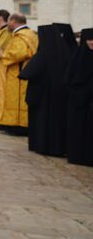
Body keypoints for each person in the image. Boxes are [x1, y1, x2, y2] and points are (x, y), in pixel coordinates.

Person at [19, 24, 76, 157]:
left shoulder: (43, 54)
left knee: (42, 122)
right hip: (60, 97)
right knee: (57, 123)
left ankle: (42, 146)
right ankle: (57, 148)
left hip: (42, 96)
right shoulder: (66, 54)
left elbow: (26, 73)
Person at [0, 13, 38, 134]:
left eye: (9, 22)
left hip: (17, 73)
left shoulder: (21, 35)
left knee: (17, 99)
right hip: (20, 71)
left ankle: (17, 125)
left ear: (13, 22)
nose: (7, 25)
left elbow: (19, 53)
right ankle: (13, 123)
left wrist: (3, 54)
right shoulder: (29, 34)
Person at [65, 28, 93, 167]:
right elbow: (69, 78)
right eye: (89, 40)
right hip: (78, 101)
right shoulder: (77, 57)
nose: (92, 43)